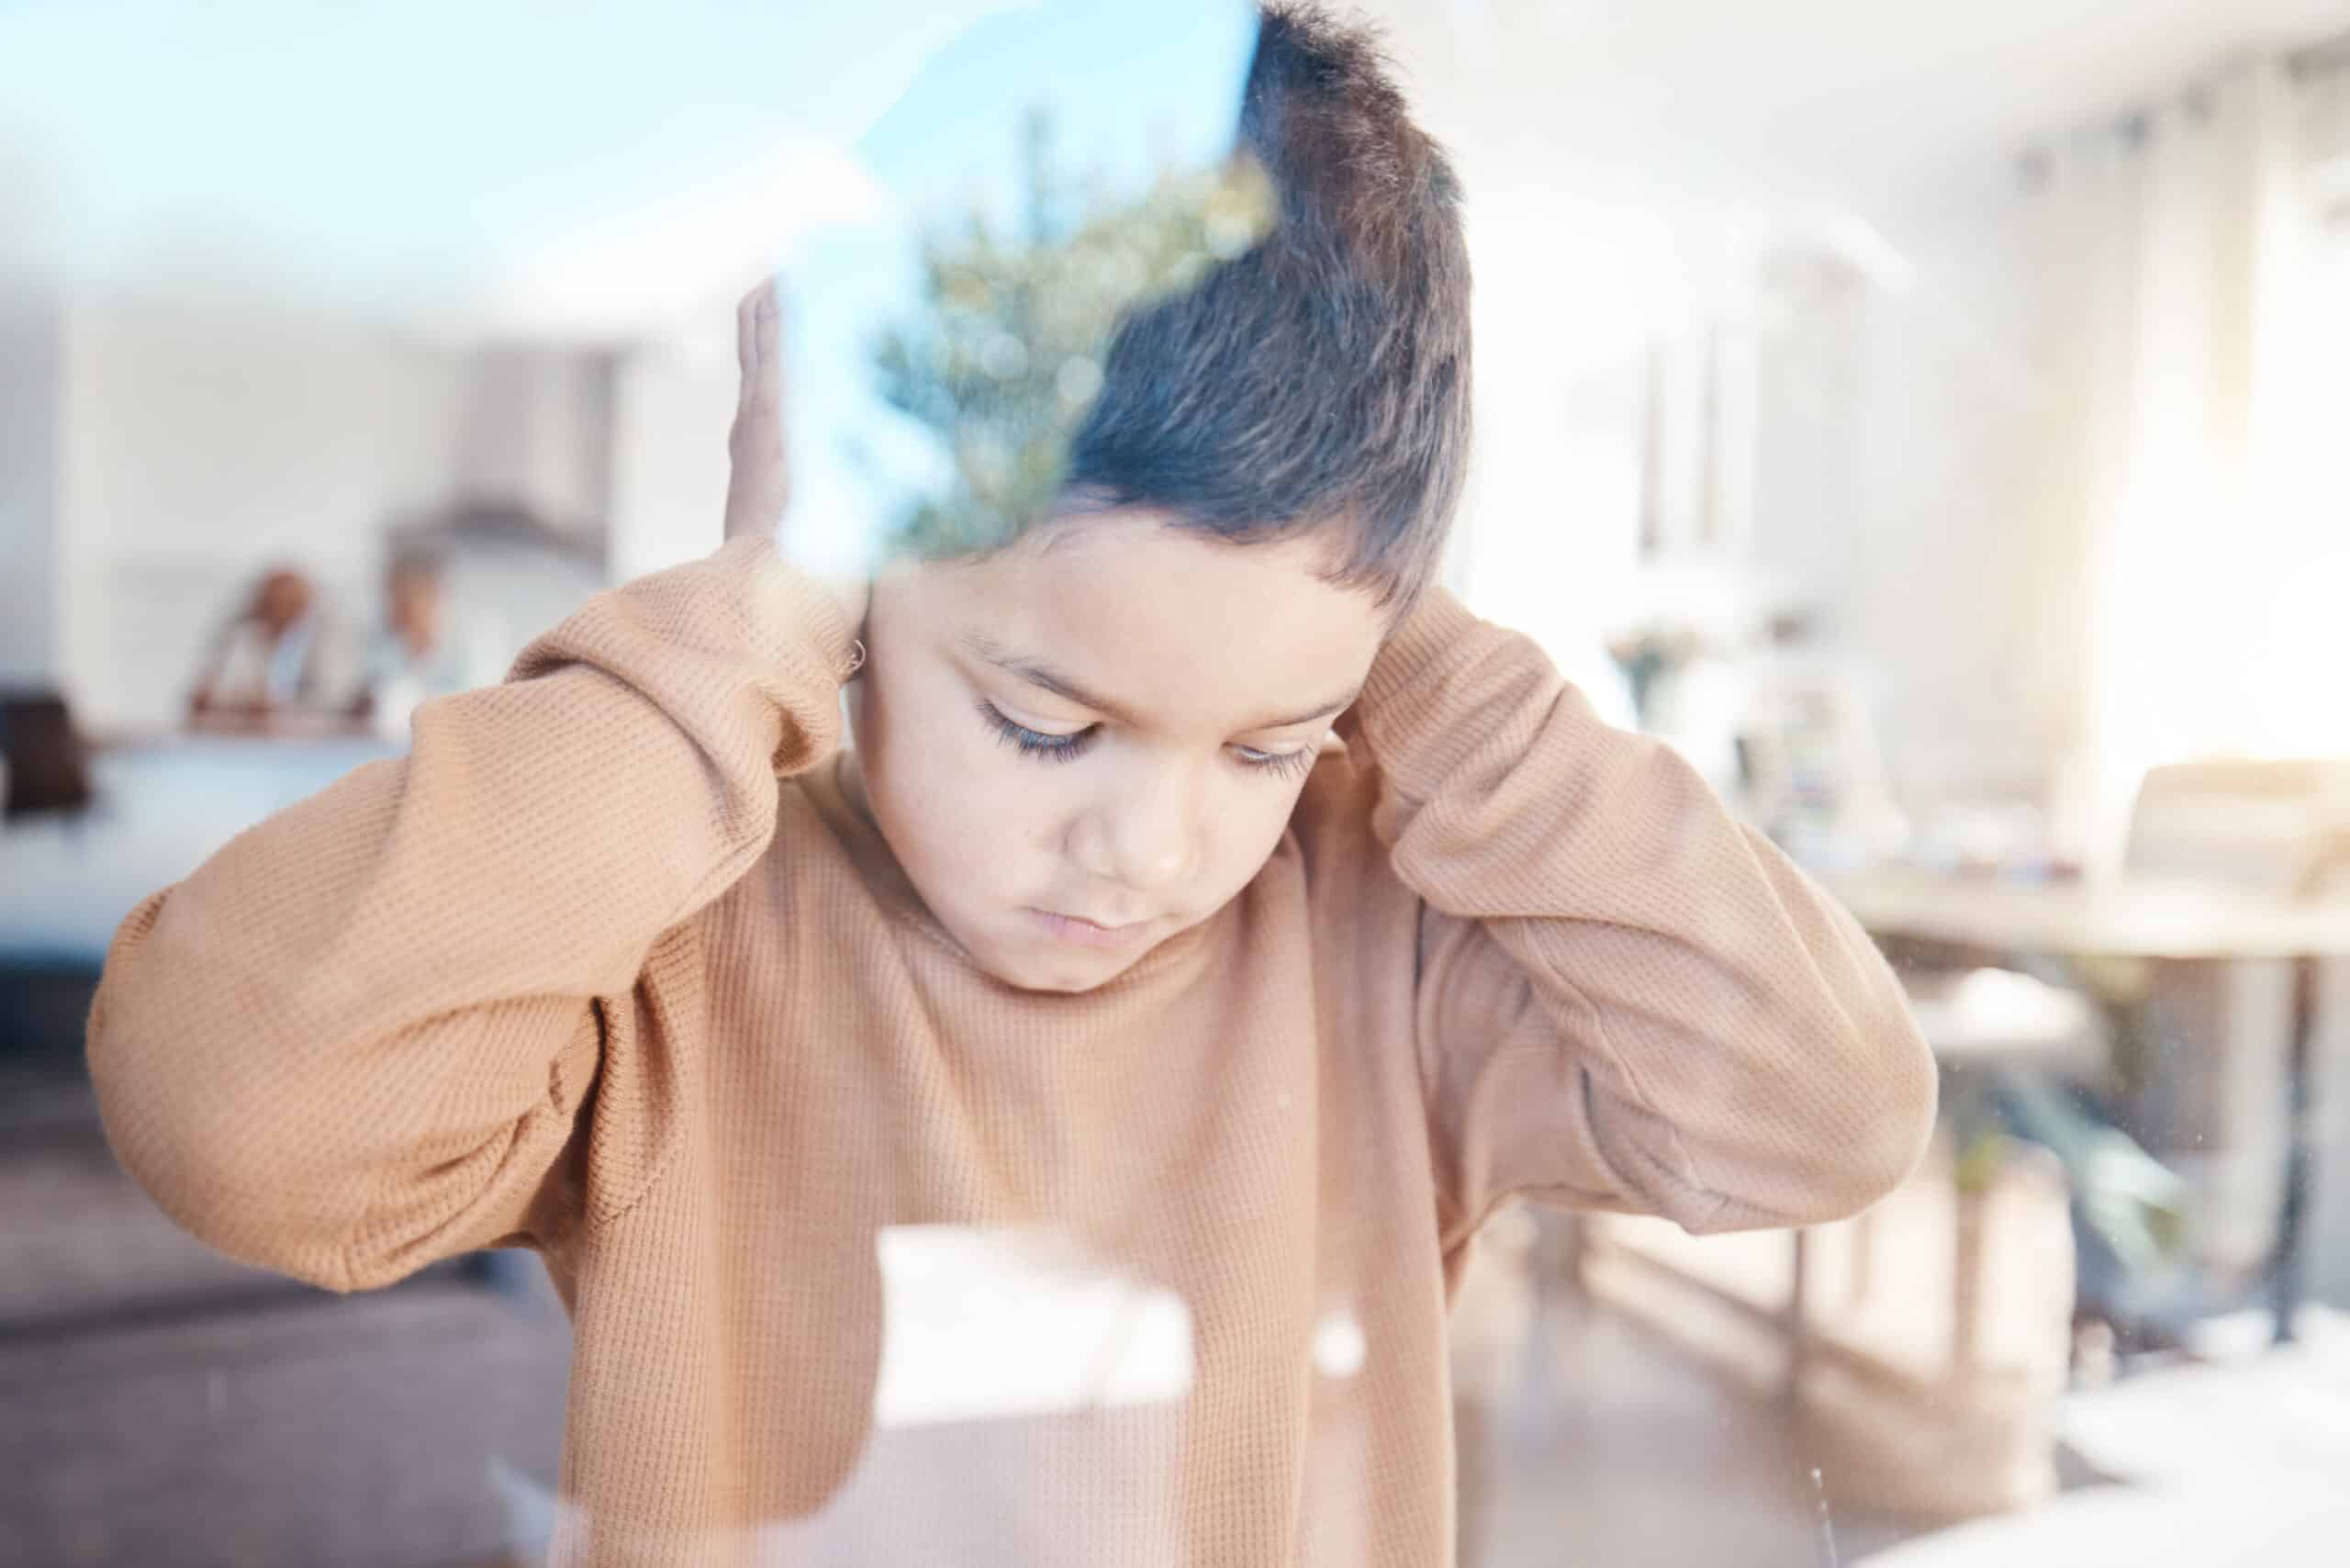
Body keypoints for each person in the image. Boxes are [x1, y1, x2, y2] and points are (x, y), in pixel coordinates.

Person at [86, 9, 1935, 1564]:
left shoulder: (1391, 944)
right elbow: (232, 1111)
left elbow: (1818, 1116)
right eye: (1047, 722)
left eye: (1263, 743)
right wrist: (752, 611)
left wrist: (1395, 633)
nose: (1149, 848)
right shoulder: (663, 930)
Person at [352, 550, 506, 740]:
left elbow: (480, 700)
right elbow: (374, 694)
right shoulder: (381, 639)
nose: (395, 610)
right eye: (391, 598)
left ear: (433, 595)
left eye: (405, 599)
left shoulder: (476, 634)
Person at [185, 566, 345, 731]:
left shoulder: (325, 636)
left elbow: (333, 699)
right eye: (273, 601)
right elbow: (209, 694)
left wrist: (280, 708)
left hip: (308, 738)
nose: (281, 607)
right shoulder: (243, 635)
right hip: (247, 740)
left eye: (289, 602)